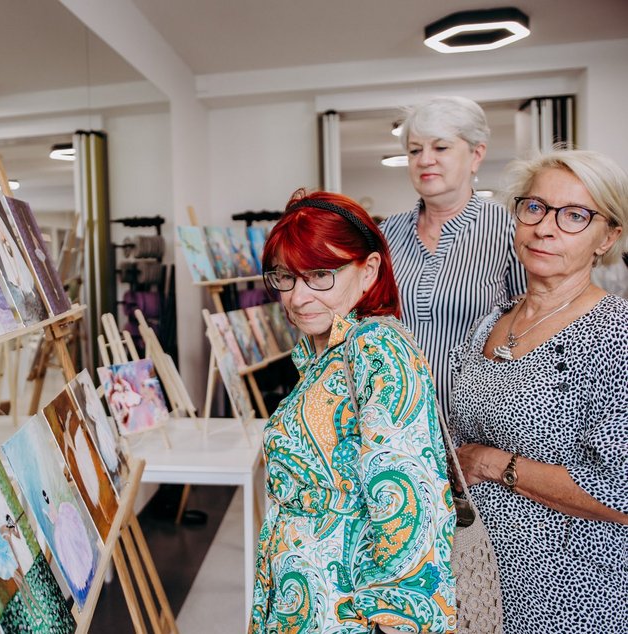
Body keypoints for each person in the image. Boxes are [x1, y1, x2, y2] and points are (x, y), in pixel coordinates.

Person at [251, 190, 456, 633]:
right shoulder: (322, 353)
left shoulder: (376, 347)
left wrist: (396, 620)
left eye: (320, 275)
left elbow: (409, 497)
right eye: (285, 277)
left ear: (369, 271)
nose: (298, 297)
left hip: (342, 607)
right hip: (303, 597)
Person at [449, 149, 628, 633]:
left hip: (572, 592)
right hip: (480, 578)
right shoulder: (492, 320)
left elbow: (622, 492)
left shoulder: (615, 333)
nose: (546, 228)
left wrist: (491, 462)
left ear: (607, 236)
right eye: (535, 207)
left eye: (575, 216)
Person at [380, 96, 526, 416]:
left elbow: (530, 328)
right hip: (397, 423)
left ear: (476, 154)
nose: (425, 160)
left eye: (440, 148)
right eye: (415, 150)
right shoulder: (386, 234)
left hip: (477, 426)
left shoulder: (511, 230)